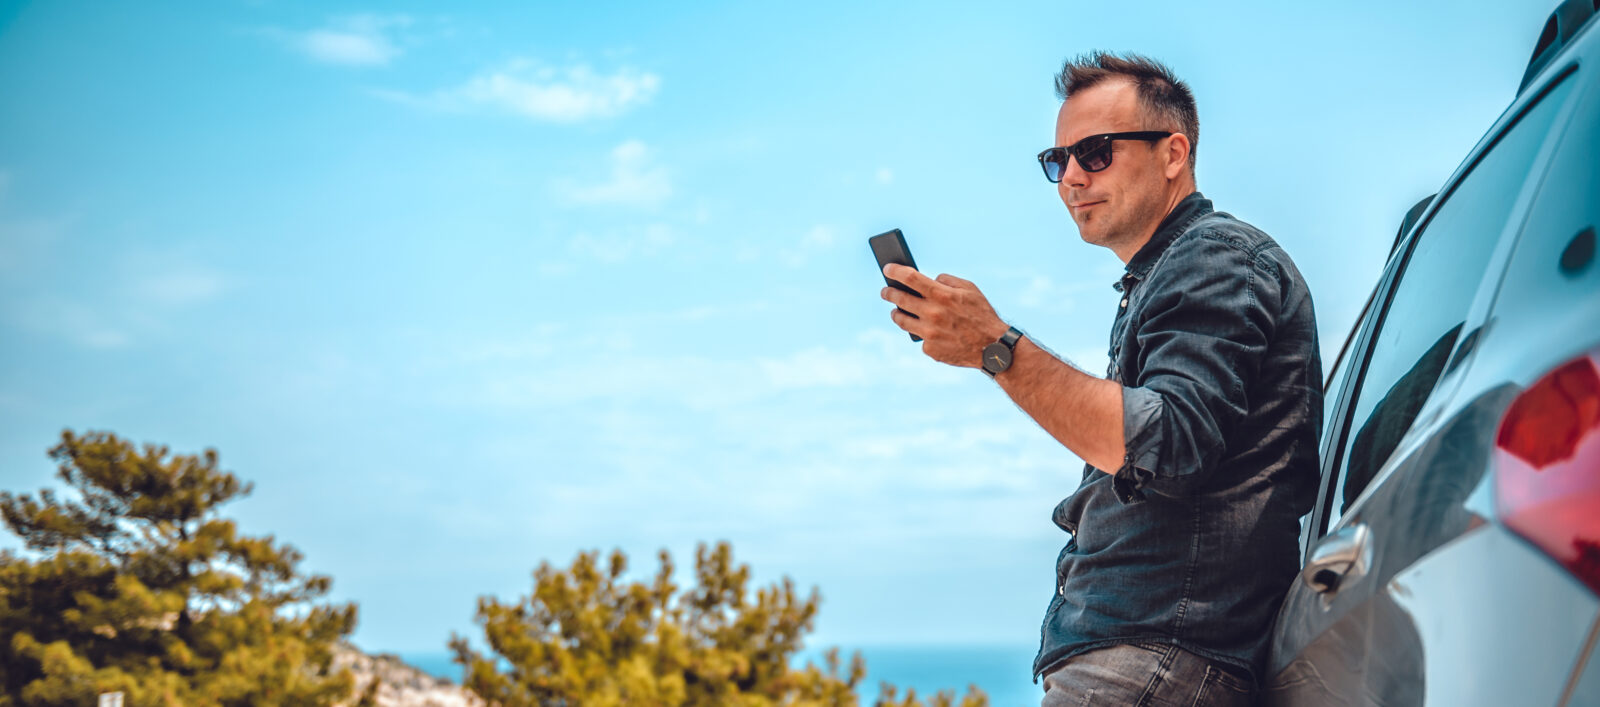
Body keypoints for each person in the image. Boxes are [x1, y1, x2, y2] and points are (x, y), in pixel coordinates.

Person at [880, 52, 1323, 706]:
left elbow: (1166, 445)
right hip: (1145, 658)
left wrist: (996, 347)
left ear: (1174, 153)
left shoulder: (1216, 256)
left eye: (1094, 152)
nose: (1071, 179)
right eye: (1057, 162)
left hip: (1154, 654)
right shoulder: (1165, 275)